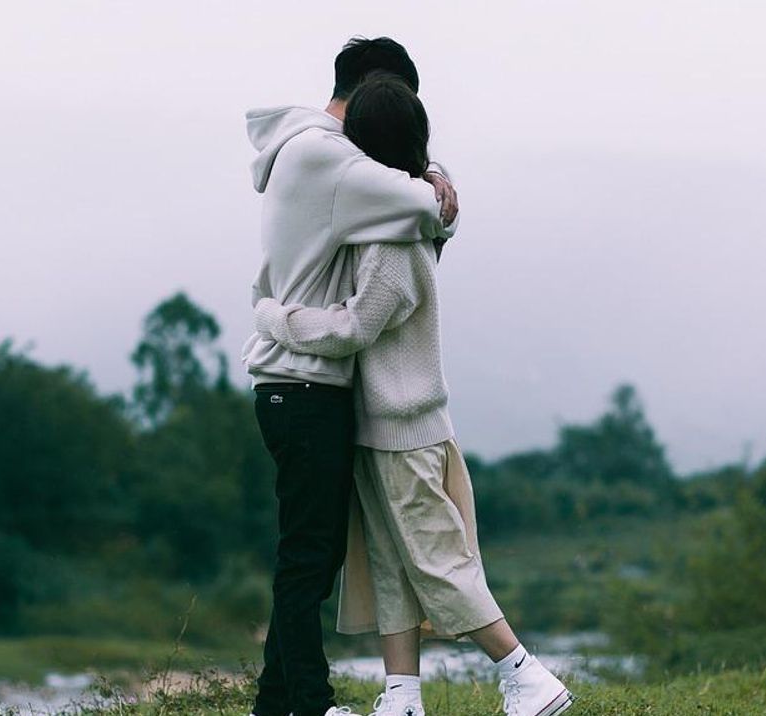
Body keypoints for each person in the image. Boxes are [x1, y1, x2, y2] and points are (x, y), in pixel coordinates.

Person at [254, 75, 575, 716]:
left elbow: (353, 327)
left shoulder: (391, 238)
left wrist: (273, 317)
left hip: (404, 428)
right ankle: (401, 694)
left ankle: (524, 674)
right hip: (379, 425)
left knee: (435, 559)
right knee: (391, 565)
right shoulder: (401, 215)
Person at [244, 38, 460, 716]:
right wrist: (436, 179)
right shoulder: (326, 157)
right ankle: (307, 704)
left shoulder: (321, 154)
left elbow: (416, 199)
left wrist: (431, 178)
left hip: (306, 383)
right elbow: (426, 205)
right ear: (374, 91)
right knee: (308, 555)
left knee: (315, 553)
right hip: (302, 381)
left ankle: (277, 701)